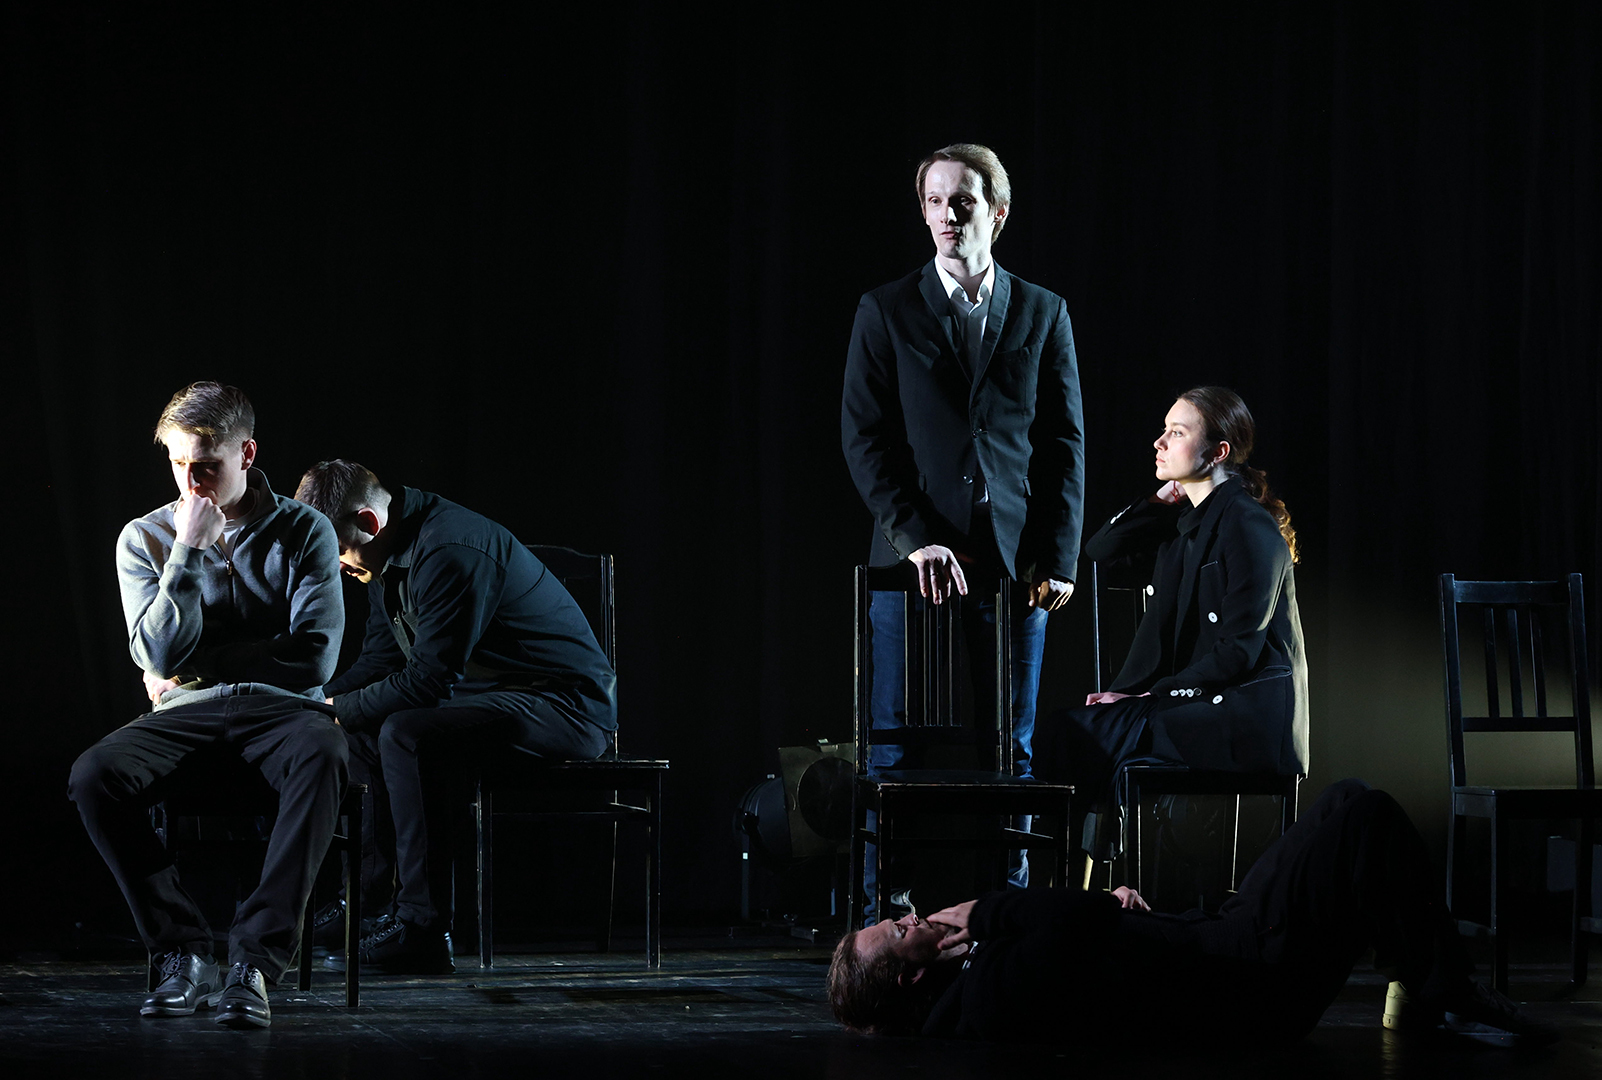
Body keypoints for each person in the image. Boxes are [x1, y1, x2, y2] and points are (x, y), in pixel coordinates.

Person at [828, 780, 1560, 1047]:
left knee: (1343, 800)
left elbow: (1080, 931)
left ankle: (1421, 984)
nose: (913, 918)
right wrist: (990, 910)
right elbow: (1071, 923)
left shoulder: (969, 973)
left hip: (1220, 935)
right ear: (909, 978)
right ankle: (1446, 988)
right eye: (898, 932)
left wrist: (1102, 912)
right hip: (1252, 977)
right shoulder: (985, 994)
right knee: (1367, 817)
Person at [840, 143, 1085, 903]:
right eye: (936, 201)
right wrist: (918, 539)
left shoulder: (1043, 311)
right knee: (891, 746)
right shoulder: (886, 309)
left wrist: (1060, 556)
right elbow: (864, 439)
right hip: (911, 562)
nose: (949, 215)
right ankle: (888, 911)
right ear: (924, 213)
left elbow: (1063, 442)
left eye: (964, 201)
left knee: (1010, 747)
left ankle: (1005, 909)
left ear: (997, 214)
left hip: (1014, 562)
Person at [68, 382, 347, 1029]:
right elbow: (157, 652)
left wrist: (198, 666)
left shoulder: (304, 529)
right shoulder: (144, 538)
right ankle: (183, 950)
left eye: (206, 465)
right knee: (94, 774)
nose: (191, 482)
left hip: (282, 710)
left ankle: (255, 963)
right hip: (185, 714)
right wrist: (188, 551)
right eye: (177, 464)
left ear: (246, 453)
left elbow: (314, 658)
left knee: (326, 750)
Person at [293, 461, 617, 974]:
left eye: (337, 550)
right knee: (357, 731)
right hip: (486, 699)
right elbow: (380, 662)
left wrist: (335, 710)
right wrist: (309, 703)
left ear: (369, 523)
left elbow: (426, 682)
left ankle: (423, 929)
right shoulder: (384, 554)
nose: (335, 566)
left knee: (405, 733)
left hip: (565, 707)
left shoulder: (449, 549)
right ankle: (367, 908)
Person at [1034, 386, 1308, 857]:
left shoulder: (1248, 526)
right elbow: (1099, 550)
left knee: (1074, 733)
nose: (1159, 442)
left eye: (1177, 432)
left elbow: (1239, 650)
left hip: (1244, 714)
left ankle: (1087, 873)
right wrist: (1155, 503)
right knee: (1072, 730)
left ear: (1218, 452)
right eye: (1164, 430)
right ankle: (1086, 869)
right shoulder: (1185, 522)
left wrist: (1149, 696)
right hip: (1198, 704)